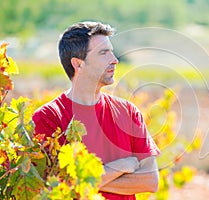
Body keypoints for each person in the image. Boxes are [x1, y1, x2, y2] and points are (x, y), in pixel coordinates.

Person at [32, 21, 160, 200]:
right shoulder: (48, 118)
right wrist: (120, 166)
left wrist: (84, 182)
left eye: (111, 51)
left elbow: (150, 182)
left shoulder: (128, 112)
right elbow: (51, 188)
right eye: (103, 53)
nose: (114, 60)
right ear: (78, 64)